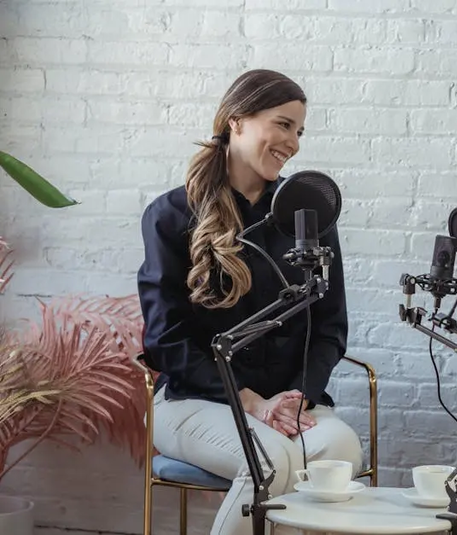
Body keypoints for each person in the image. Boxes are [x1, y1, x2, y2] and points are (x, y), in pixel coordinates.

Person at [137, 69, 363, 535]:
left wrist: (297, 398)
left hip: (287, 403)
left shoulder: (309, 215)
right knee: (269, 461)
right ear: (236, 121)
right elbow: (165, 340)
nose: (293, 143)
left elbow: (330, 326)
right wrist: (251, 402)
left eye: (299, 132)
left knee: (340, 449)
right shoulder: (171, 215)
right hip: (193, 400)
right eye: (283, 125)